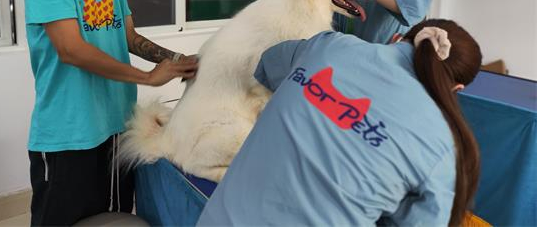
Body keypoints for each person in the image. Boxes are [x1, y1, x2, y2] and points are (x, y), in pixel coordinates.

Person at [20, 0, 198, 226]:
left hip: (118, 126)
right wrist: (147, 78)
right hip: (69, 132)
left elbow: (128, 37)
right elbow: (70, 49)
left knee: (113, 219)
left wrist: (178, 60)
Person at [197, 19, 482, 226]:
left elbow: (269, 62)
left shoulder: (328, 46)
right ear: (456, 90)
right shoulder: (441, 145)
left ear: (399, 38)